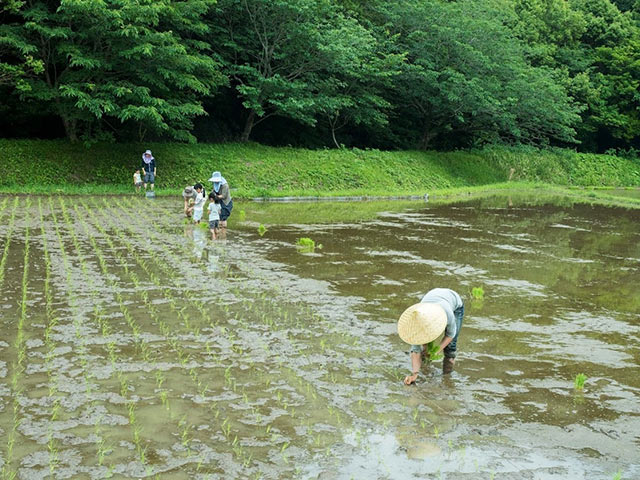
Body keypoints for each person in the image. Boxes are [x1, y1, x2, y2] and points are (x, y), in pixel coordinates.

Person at [397, 288, 464, 384]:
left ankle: (447, 377)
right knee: (424, 345)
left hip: (454, 304)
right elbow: (415, 350)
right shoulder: (418, 319)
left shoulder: (447, 313)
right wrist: (414, 374)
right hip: (432, 299)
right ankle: (425, 365)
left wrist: (437, 350)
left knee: (450, 346)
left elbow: (450, 334)